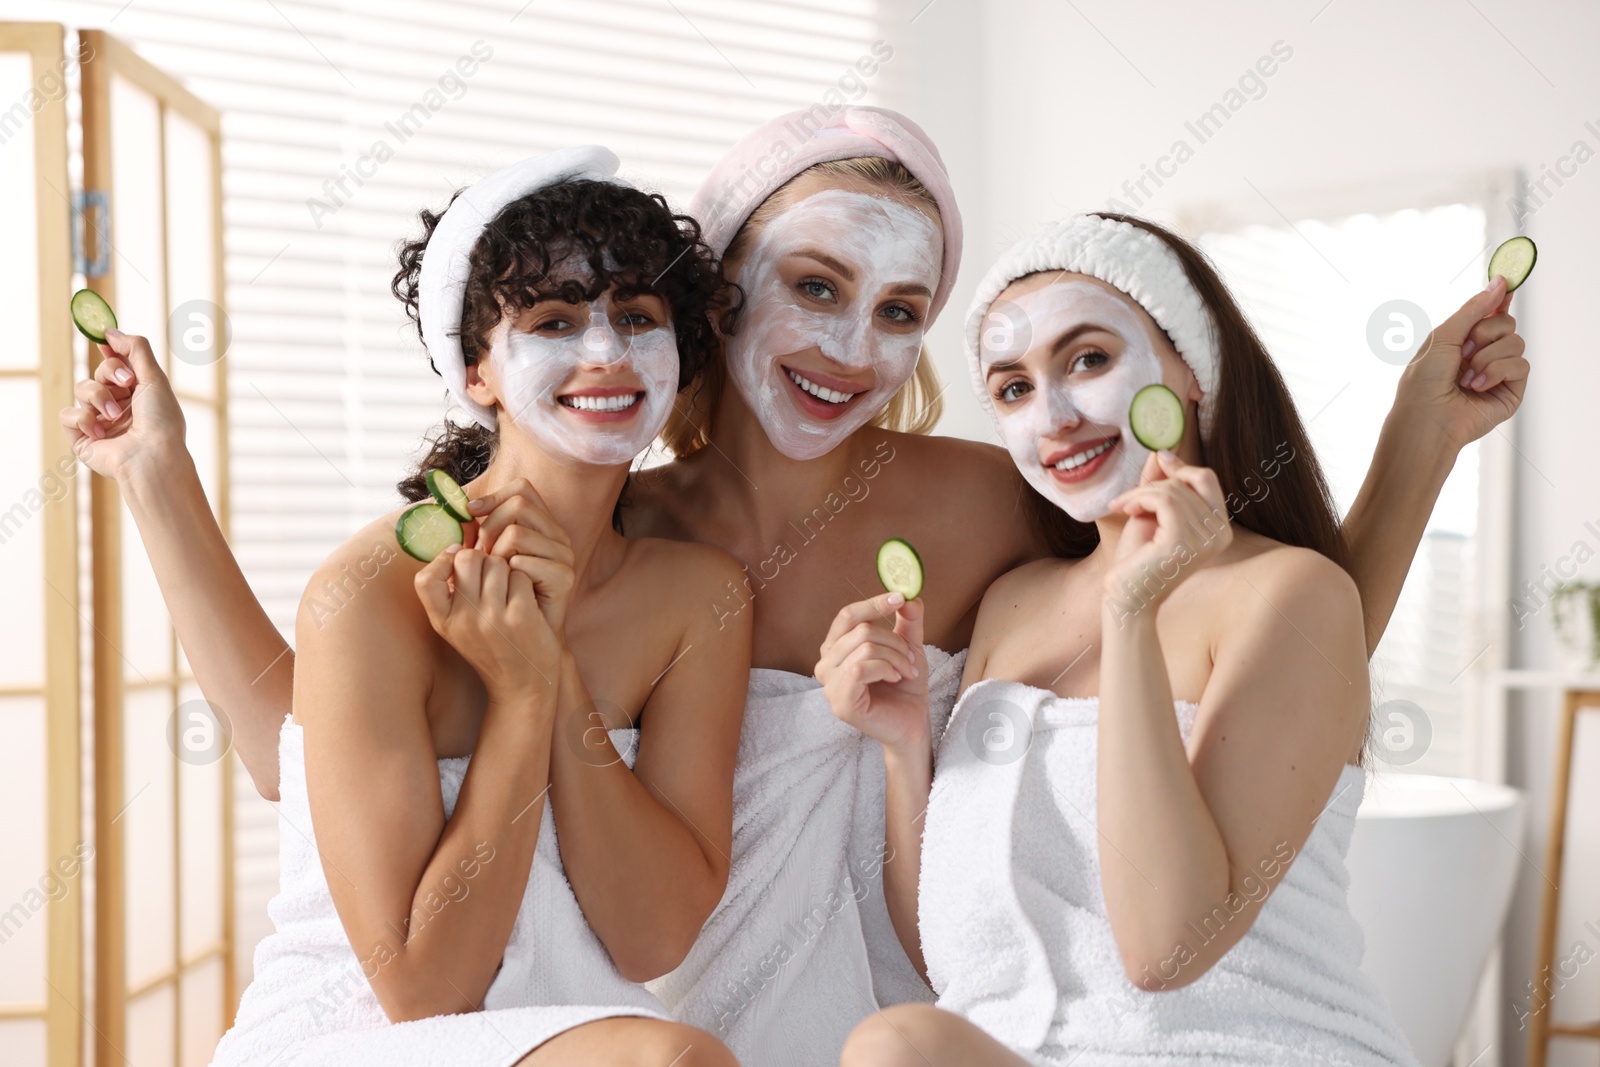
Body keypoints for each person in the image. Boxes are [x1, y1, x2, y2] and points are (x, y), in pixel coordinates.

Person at [63, 108, 1518, 1064]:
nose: (849, 345)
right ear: (719, 295)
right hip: (644, 1012)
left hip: (875, 1009)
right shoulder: (605, 520)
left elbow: (1245, 648)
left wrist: (1419, 445)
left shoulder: (986, 494)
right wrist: (159, 487)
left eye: (901, 312)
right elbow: (308, 752)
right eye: (815, 287)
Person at [73, 147, 751, 1067]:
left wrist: (547, 668)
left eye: (638, 316)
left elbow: (654, 938)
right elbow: (426, 994)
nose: (605, 351)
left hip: (576, 1026)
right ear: (477, 372)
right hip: (362, 1032)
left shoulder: (695, 598)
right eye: (554, 319)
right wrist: (518, 700)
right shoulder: (375, 592)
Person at [818, 212, 1526, 1067]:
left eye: (1089, 359)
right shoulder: (1014, 602)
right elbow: (959, 960)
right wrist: (904, 750)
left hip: (1241, 1051)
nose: (1056, 416)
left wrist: (1132, 616)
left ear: (1193, 370)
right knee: (900, 1039)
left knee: (894, 1046)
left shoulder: (1289, 593)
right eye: (1012, 388)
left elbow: (1168, 950)